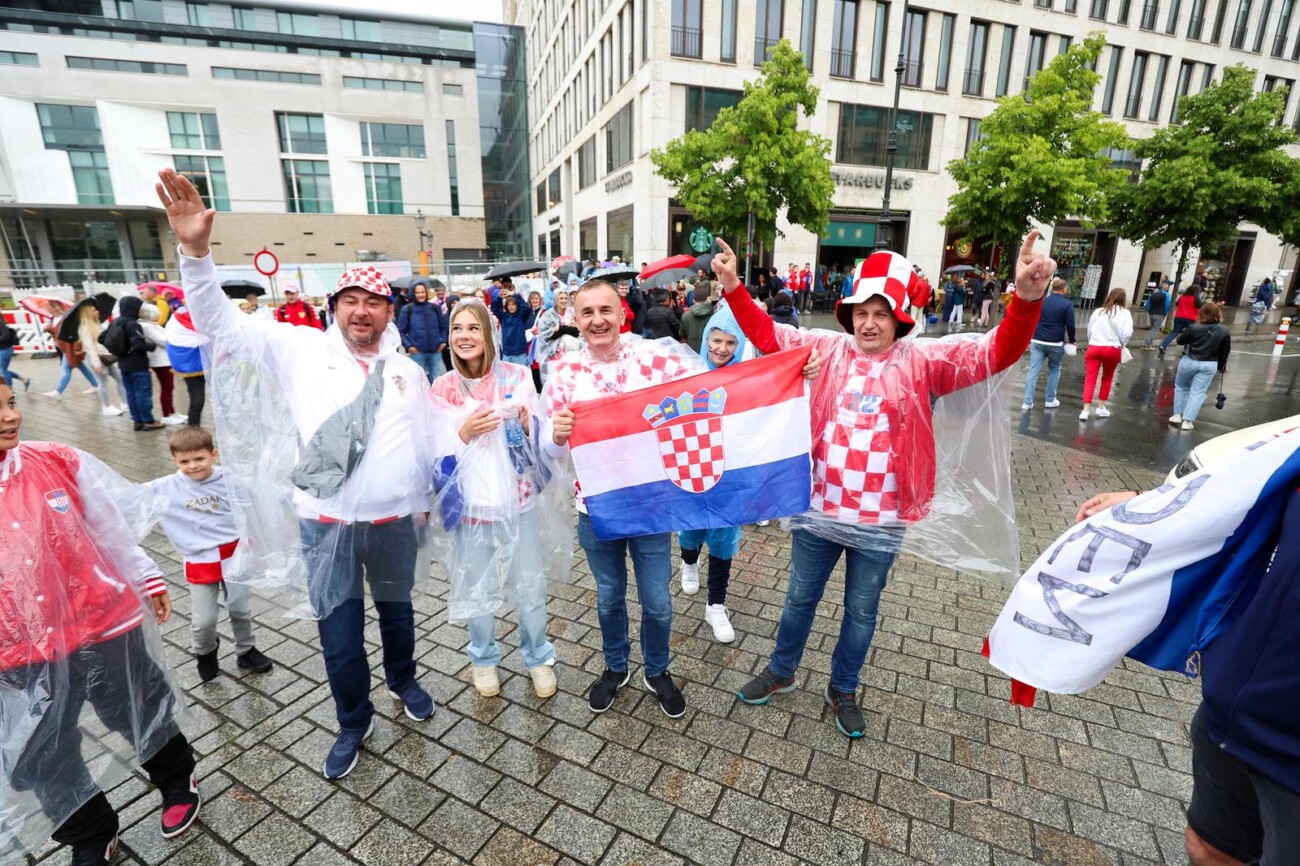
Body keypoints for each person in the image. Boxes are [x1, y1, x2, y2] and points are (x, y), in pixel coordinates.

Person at [713, 232, 1052, 738]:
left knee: (861, 611)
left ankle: (843, 688)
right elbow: (766, 334)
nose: (868, 323)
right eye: (861, 313)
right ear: (848, 316)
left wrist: (1025, 300)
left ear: (899, 319)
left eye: (881, 313)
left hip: (882, 520)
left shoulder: (923, 363)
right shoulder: (823, 350)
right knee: (798, 601)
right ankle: (782, 671)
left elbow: (994, 352)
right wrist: (735, 287)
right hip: (818, 511)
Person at [158, 167, 435, 781]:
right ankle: (353, 721)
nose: (362, 313)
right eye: (351, 302)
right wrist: (196, 255)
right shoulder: (299, 349)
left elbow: (422, 445)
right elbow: (220, 324)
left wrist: (424, 510)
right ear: (335, 308)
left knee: (399, 615)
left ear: (390, 312)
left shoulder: (407, 373)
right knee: (338, 634)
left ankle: (404, 681)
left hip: (393, 524)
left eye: (374, 303)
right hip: (326, 525)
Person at [0, 381, 201, 864]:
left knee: (138, 705)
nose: (11, 417)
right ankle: (91, 832)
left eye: (9, 402)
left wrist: (147, 577)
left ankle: (176, 778)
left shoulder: (56, 460)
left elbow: (110, 525)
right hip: (17, 648)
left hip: (101, 621)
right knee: (38, 749)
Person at [1072, 482, 1300, 866]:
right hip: (1230, 714)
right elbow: (1249, 497)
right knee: (1207, 849)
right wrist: (1153, 508)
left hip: (1291, 756)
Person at [541, 279, 702, 718]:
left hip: (650, 505)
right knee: (609, 595)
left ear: (622, 313)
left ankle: (657, 669)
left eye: (605, 310)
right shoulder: (564, 373)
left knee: (658, 600)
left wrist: (784, 371)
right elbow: (549, 450)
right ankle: (616, 666)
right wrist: (554, 437)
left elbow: (712, 390)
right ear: (575, 320)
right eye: (587, 312)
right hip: (595, 509)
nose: (597, 320)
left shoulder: (655, 359)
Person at [430, 300, 559, 699]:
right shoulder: (443, 387)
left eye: (473, 328)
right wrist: (462, 433)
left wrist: (527, 424)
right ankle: (483, 659)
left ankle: (538, 656)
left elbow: (536, 447)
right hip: (471, 509)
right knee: (478, 591)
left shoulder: (517, 375)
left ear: (488, 334)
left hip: (517, 503)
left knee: (530, 588)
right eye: (457, 328)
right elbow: (431, 454)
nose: (464, 336)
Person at [148, 425, 273, 682]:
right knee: (204, 619)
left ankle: (246, 650)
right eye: (184, 461)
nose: (193, 465)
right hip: (201, 560)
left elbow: (260, 497)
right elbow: (126, 497)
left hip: (235, 555)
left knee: (239, 608)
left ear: (213, 454)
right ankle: (205, 652)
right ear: (174, 461)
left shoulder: (229, 479)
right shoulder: (164, 487)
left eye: (199, 458)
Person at [676, 304, 751, 644]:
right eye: (716, 340)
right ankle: (688, 562)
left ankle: (716, 605)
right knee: (691, 529)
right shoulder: (687, 374)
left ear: (739, 346)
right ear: (706, 339)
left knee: (724, 537)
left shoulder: (747, 379)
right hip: (693, 468)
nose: (721, 349)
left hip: (730, 474)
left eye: (730, 343)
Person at [1170, 302, 1231, 431]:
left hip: (1189, 360)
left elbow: (1180, 340)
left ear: (1201, 313)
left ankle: (1177, 415)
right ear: (1218, 314)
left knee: (1181, 387)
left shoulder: (1194, 327)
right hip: (1209, 363)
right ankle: (1188, 421)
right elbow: (1225, 351)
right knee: (1197, 392)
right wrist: (1222, 366)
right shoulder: (1224, 331)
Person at [1022, 277, 1077, 411]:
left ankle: (1027, 402)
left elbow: (1032, 318)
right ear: (1065, 289)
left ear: (1052, 288)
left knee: (1033, 371)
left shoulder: (1042, 302)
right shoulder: (1067, 304)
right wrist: (1072, 340)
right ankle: (1050, 399)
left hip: (1038, 340)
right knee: (1054, 369)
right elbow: (1070, 324)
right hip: (1055, 342)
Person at [111, 296, 166, 431]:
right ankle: (148, 420)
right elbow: (137, 345)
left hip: (123, 363)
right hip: (138, 364)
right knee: (143, 393)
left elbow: (102, 338)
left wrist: (120, 349)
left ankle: (137, 421)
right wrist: (151, 346)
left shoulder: (116, 322)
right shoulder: (133, 324)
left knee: (131, 393)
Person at [1079, 288, 1133, 421]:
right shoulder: (1125, 313)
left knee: (1090, 378)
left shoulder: (1098, 311)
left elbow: (1090, 329)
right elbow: (1127, 333)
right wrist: (1122, 342)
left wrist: (1092, 341)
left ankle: (1085, 410)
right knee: (1107, 377)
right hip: (1112, 348)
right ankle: (1101, 407)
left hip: (1095, 347)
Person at [139, 304, 186, 425]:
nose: (159, 315)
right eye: (157, 313)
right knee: (167, 388)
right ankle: (166, 414)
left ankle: (172, 411)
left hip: (165, 360)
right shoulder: (147, 327)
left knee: (169, 387)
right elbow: (164, 341)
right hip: (160, 362)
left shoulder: (152, 325)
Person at [164, 307, 208, 427]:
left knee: (222, 400)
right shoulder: (181, 316)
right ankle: (193, 431)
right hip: (192, 366)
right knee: (198, 401)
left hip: (212, 362)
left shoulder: (208, 311)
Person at [397, 281, 448, 381]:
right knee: (417, 380)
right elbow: (400, 331)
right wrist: (409, 346)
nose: (421, 295)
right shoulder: (407, 309)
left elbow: (443, 327)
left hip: (435, 351)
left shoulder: (434, 308)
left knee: (437, 381)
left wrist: (443, 342)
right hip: (417, 353)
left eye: (423, 292)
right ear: (413, 293)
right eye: (417, 292)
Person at [534, 286, 580, 383]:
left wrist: (559, 328)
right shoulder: (548, 315)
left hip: (572, 354)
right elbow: (547, 335)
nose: (563, 301)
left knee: (571, 381)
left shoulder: (572, 313)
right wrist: (567, 328)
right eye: (561, 298)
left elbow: (576, 332)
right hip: (554, 355)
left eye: (565, 298)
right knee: (556, 383)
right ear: (555, 299)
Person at [492, 287, 537, 365]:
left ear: (517, 305)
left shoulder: (521, 316)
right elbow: (494, 308)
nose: (511, 306)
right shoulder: (503, 316)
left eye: (513, 304)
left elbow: (526, 307)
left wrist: (514, 294)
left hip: (519, 355)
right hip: (506, 355)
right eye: (508, 304)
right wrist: (499, 297)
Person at [1160, 281, 1202, 355]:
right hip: (1191, 318)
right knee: (1189, 334)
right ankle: (1186, 350)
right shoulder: (1195, 299)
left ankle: (1163, 345)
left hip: (1179, 317)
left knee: (1174, 332)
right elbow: (1201, 306)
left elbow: (1177, 304)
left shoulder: (1182, 297)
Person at [680, 280, 720, 354]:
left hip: (691, 351)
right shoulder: (714, 315)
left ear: (693, 300)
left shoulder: (685, 315)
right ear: (707, 299)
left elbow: (682, 334)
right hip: (709, 351)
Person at [0, 312, 32, 392]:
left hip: (5, 349)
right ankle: (24, 380)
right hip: (3, 349)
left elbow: (5, 335)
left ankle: (10, 391)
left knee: (3, 370)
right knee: (3, 370)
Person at [1143, 279, 1171, 348]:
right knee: (1155, 329)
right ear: (1166, 288)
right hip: (1160, 314)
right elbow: (1167, 305)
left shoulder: (1153, 295)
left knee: (1151, 328)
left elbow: (1148, 304)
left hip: (1152, 313)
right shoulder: (1166, 295)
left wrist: (1149, 311)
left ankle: (1145, 343)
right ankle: (1148, 344)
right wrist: (1165, 313)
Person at [907, 267, 931, 335]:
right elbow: (927, 294)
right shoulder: (926, 284)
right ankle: (920, 330)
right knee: (920, 316)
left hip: (915, 302)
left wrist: (910, 295)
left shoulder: (917, 283)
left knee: (913, 316)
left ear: (919, 277)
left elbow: (914, 293)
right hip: (922, 303)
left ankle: (913, 330)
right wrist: (926, 302)